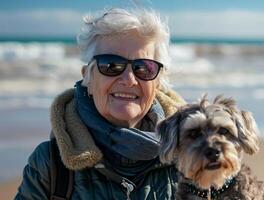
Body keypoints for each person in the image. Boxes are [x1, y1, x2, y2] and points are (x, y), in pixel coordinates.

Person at [15, 7, 185, 200]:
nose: (129, 79)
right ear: (87, 78)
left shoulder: (192, 156)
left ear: (157, 83)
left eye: (144, 68)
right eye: (111, 65)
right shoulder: (50, 164)